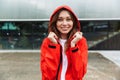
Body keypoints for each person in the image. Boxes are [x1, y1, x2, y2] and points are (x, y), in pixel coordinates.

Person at [40, 5, 88, 80]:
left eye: (68, 19)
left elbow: (79, 75)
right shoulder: (47, 42)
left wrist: (73, 46)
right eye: (60, 19)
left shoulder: (81, 41)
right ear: (55, 22)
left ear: (73, 22)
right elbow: (48, 75)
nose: (64, 23)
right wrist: (54, 46)